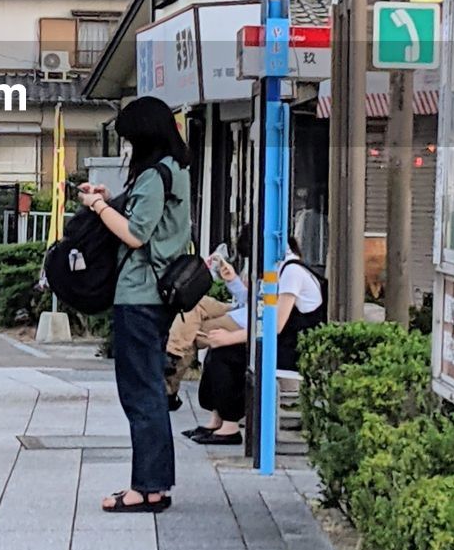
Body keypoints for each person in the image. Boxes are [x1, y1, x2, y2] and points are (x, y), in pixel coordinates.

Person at [78, 95, 191, 514]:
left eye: (128, 141)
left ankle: (147, 488)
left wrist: (99, 205)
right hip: (155, 296)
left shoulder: (154, 175)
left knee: (141, 393)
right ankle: (153, 483)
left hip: (140, 295)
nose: (126, 148)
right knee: (148, 391)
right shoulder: (173, 170)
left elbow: (136, 233)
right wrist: (111, 198)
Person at [189, 238, 326, 445]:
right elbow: (258, 307)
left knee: (227, 354)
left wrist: (230, 338)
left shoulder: (292, 273)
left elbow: (276, 325)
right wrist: (233, 281)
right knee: (218, 349)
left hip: (293, 349)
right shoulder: (283, 270)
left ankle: (230, 423)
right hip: (283, 343)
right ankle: (218, 418)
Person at [165, 224, 253, 408]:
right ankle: (172, 355)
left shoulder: (280, 271)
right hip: (241, 309)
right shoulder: (265, 265)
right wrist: (233, 280)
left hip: (246, 318)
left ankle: (170, 378)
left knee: (190, 333)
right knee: (195, 304)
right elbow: (249, 299)